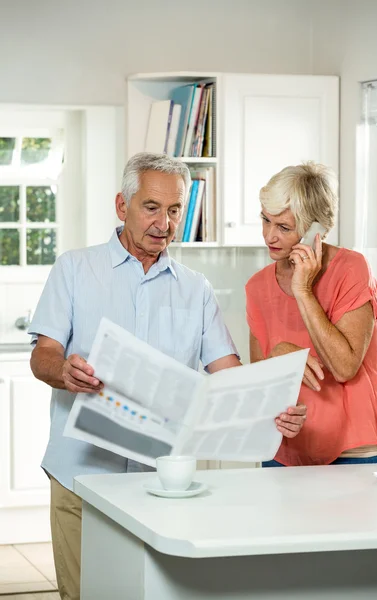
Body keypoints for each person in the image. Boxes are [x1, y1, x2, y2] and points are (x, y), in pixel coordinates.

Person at [29, 152, 306, 600]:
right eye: (151, 207)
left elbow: (227, 374)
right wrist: (65, 371)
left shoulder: (195, 288)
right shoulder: (75, 268)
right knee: (82, 594)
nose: (164, 222)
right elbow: (43, 355)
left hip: (160, 481)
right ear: (123, 207)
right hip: (80, 470)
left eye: (175, 209)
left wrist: (273, 408)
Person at [245, 161, 377, 468]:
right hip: (287, 447)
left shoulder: (352, 269)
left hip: (356, 449)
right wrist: (279, 354)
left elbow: (344, 367)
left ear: (315, 230)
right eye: (265, 220)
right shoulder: (257, 287)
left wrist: (303, 290)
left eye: (284, 227)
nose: (269, 236)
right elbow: (259, 385)